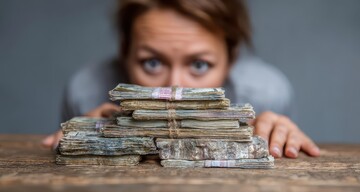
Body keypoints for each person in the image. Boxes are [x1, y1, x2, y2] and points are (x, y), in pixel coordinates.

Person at [43, 0, 320, 159]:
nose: (174, 89)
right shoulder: (85, 91)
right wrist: (80, 139)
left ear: (231, 58)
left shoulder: (266, 93)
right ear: (125, 52)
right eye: (152, 63)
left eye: (199, 64)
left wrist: (280, 140)